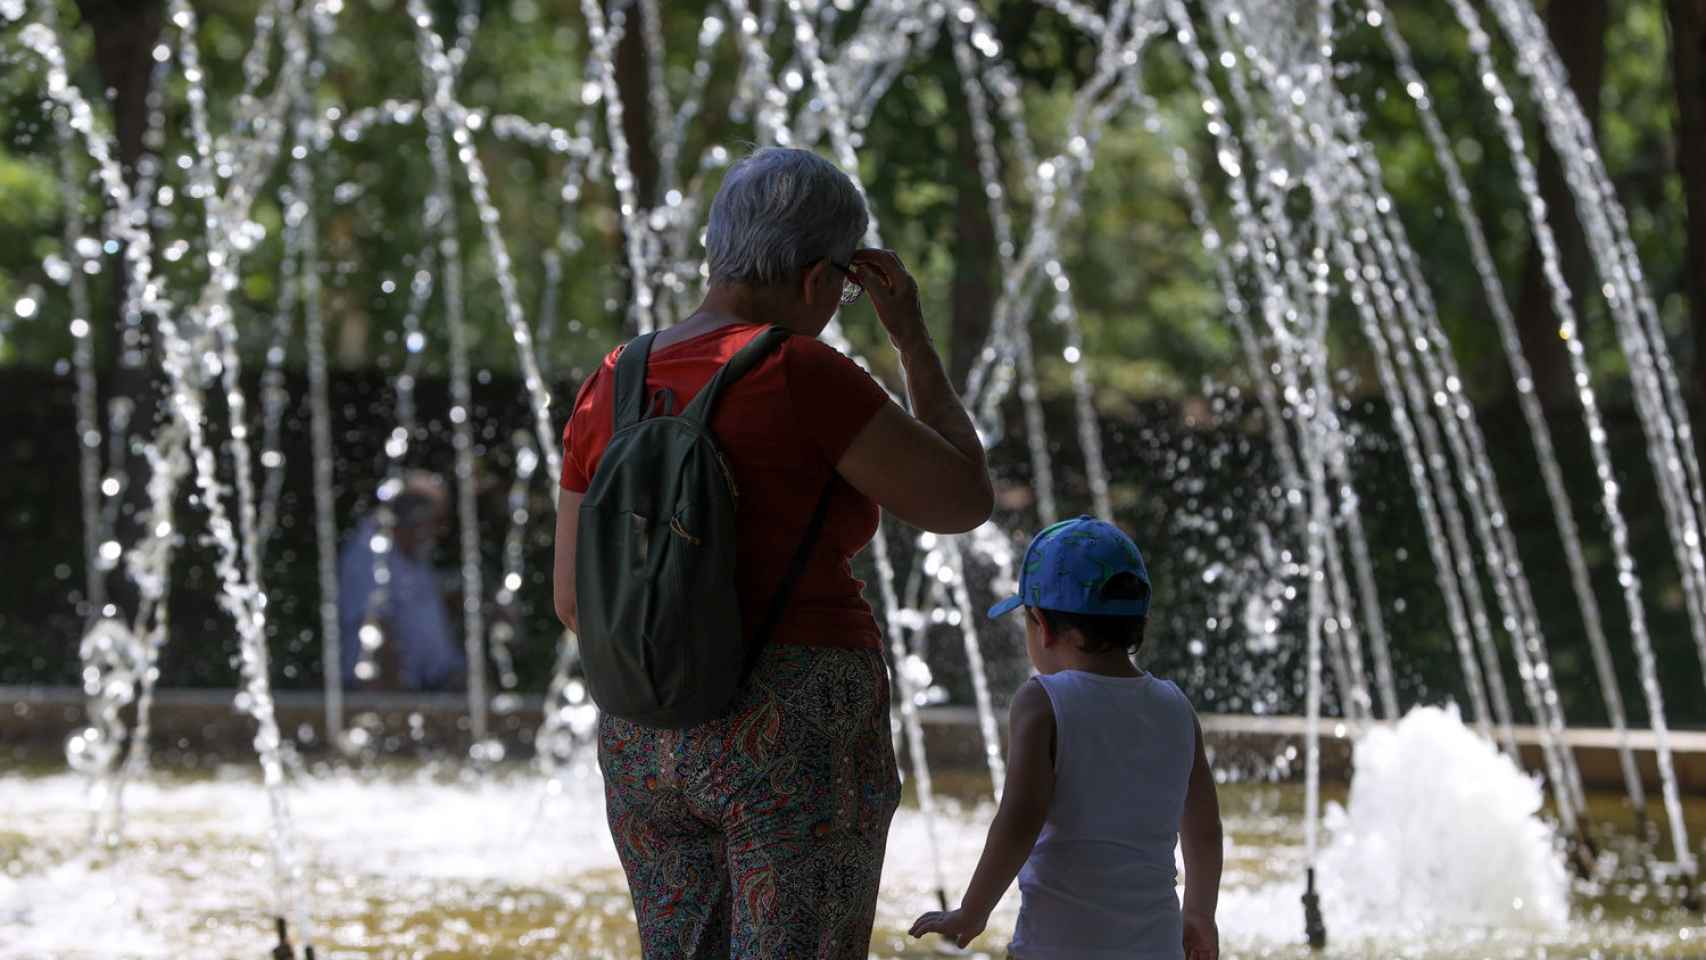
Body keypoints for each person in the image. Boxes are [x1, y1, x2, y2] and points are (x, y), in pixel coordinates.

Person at [552, 146, 993, 958]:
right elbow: (963, 500)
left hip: (644, 734)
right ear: (823, 279)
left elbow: (574, 601)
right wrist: (912, 341)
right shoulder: (801, 373)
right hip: (793, 726)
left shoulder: (614, 378)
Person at [909, 516, 1224, 960]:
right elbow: (1205, 830)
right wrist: (1200, 916)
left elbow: (1020, 819)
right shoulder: (1176, 707)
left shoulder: (1044, 701)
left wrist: (973, 911)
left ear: (1043, 624)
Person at [337, 471, 466, 692]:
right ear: (414, 516)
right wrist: (398, 706)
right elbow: (376, 630)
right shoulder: (370, 553)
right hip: (384, 692)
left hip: (431, 686)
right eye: (436, 520)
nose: (440, 531)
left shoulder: (414, 554)